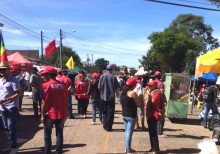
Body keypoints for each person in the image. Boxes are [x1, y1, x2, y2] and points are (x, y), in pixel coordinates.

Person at [40, 67, 68, 154]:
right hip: (61, 113)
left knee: (47, 134)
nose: (44, 76)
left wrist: (42, 115)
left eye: (45, 74)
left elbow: (43, 102)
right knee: (59, 133)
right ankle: (58, 152)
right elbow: (65, 99)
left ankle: (47, 152)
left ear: (49, 75)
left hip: (50, 114)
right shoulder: (63, 85)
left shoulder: (45, 85)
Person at [0, 63, 20, 154]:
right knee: (6, 127)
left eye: (4, 69)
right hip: (2, 107)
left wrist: (6, 100)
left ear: (8, 70)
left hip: (12, 106)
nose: (2, 71)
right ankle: (11, 144)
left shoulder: (13, 80)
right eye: (1, 70)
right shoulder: (0, 80)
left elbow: (18, 94)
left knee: (11, 126)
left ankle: (14, 146)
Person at [121, 77, 142, 154]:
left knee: (126, 132)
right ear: (133, 85)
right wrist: (140, 97)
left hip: (124, 114)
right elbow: (139, 104)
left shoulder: (122, 92)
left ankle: (127, 148)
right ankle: (128, 149)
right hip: (131, 115)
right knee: (129, 133)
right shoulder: (133, 93)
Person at [98, 64, 120, 131]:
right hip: (111, 98)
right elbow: (116, 88)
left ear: (106, 69)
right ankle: (109, 126)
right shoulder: (113, 77)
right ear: (112, 70)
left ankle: (105, 125)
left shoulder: (102, 76)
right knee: (110, 112)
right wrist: (118, 95)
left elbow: (99, 87)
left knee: (104, 111)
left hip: (103, 97)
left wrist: (102, 93)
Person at [143, 79, 162, 154]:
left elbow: (153, 102)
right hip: (149, 114)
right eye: (148, 85)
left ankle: (155, 149)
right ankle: (153, 147)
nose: (149, 86)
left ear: (154, 86)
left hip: (154, 114)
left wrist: (148, 95)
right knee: (151, 132)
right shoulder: (151, 92)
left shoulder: (157, 92)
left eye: (150, 85)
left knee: (153, 132)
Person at [154, 71, 167, 136]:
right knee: (160, 116)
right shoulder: (160, 83)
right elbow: (162, 92)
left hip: (153, 100)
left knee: (155, 115)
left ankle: (156, 130)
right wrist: (164, 101)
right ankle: (159, 131)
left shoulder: (153, 82)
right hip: (160, 100)